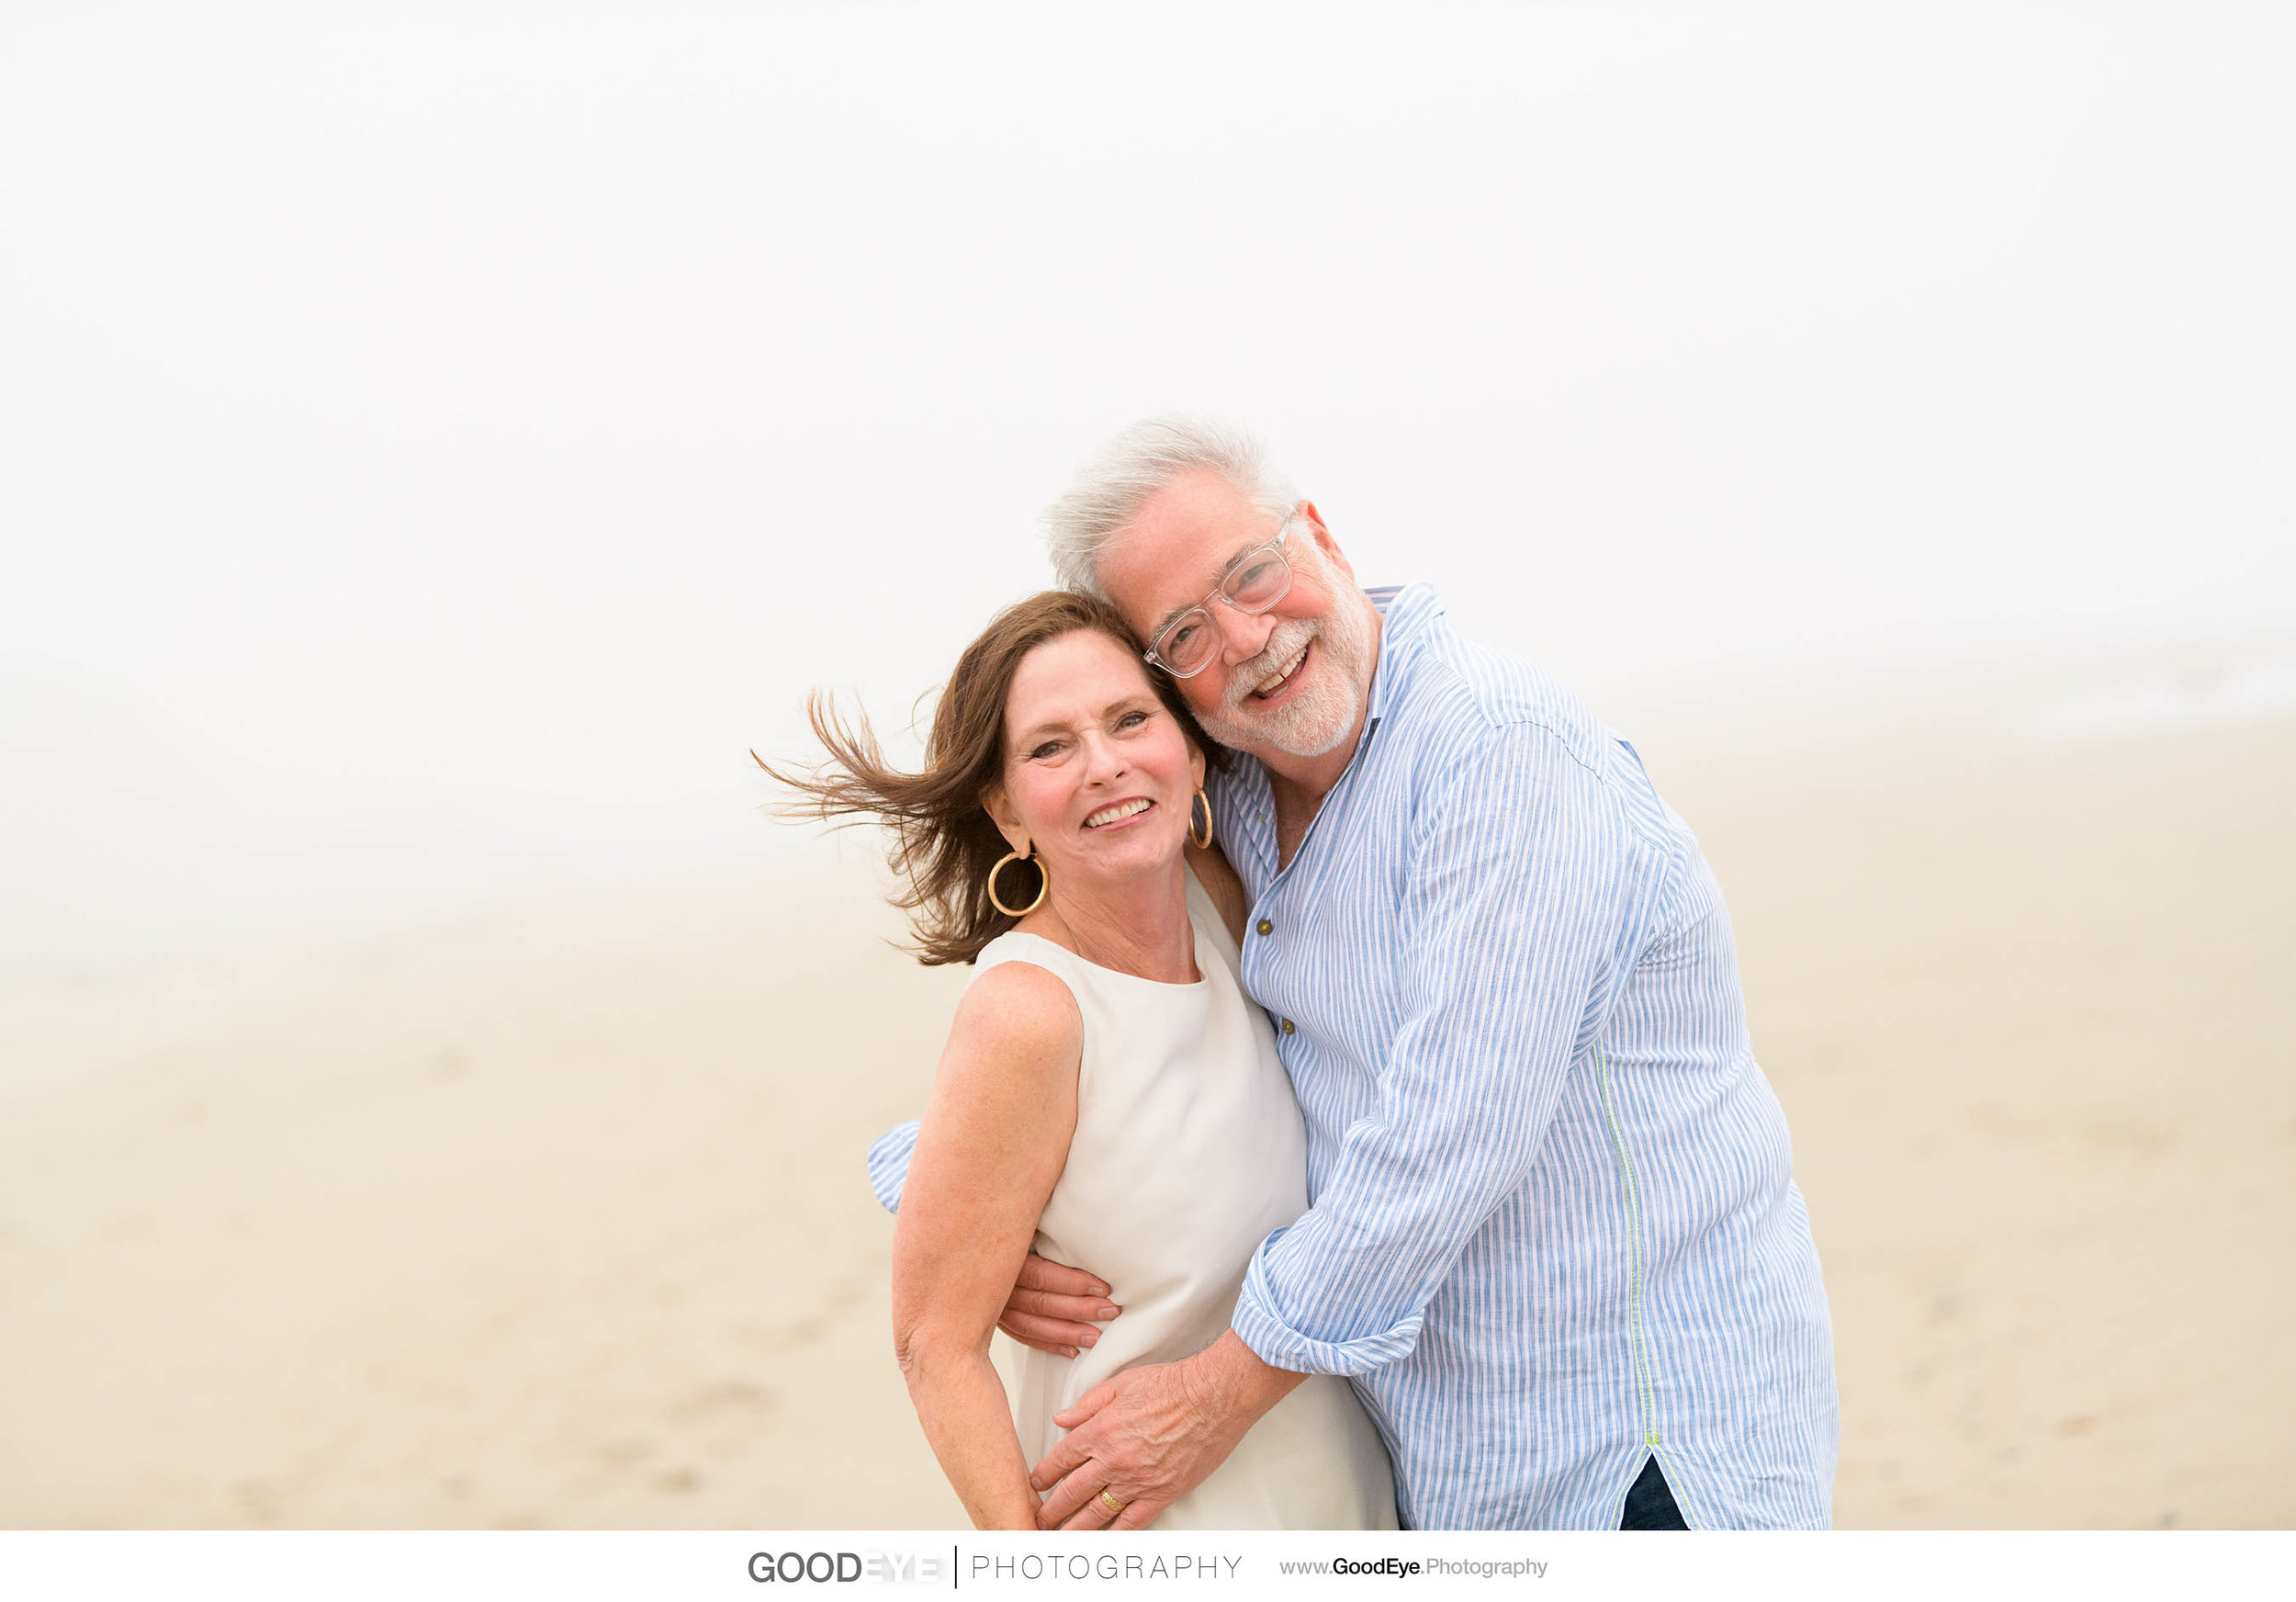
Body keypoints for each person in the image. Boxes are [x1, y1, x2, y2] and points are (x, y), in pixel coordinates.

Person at [871, 416, 1840, 1530]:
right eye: (1184, 629)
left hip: (1634, 1453)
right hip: (1434, 1475)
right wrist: (982, 1195)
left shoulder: (1501, 757)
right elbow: (1131, 1030)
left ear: (1319, 533)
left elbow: (1439, 1148)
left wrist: (1213, 1392)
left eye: (1251, 572)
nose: (1245, 637)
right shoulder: (1234, 803)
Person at [768, 590, 1396, 1530]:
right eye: (1050, 747)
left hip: (1342, 1505)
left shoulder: (1224, 908)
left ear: (1188, 752)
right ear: (1006, 808)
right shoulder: (1027, 1012)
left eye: (1128, 719)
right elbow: (935, 1343)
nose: (1103, 765)